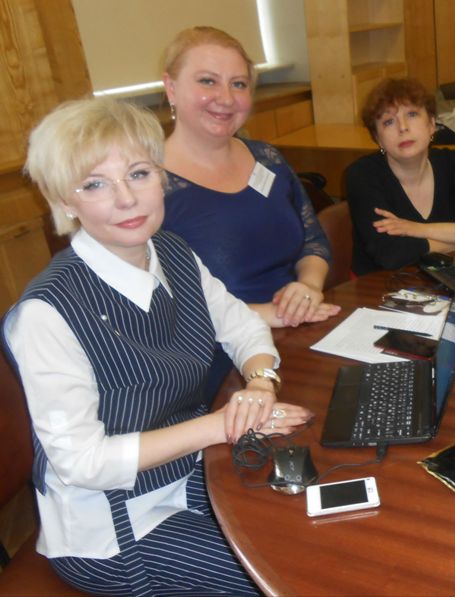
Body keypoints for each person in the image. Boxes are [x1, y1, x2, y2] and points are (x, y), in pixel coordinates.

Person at [3, 97, 312, 595]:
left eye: (139, 174)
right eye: (95, 184)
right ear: (65, 202)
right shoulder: (46, 313)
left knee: (311, 524)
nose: (126, 199)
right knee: (285, 575)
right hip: (114, 525)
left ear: (161, 176)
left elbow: (240, 323)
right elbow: (83, 463)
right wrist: (221, 424)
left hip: (192, 471)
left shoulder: (171, 250)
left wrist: (260, 382)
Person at [161, 26, 340, 328]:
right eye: (208, 81)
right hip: (219, 347)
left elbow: (313, 241)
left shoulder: (267, 158)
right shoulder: (146, 185)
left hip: (298, 327)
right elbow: (161, 305)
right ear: (171, 88)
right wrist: (268, 315)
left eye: (239, 84)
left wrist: (308, 286)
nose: (226, 98)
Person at [345, 77, 455, 275]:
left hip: (450, 278)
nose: (403, 127)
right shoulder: (362, 175)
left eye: (412, 114)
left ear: (432, 125)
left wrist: (416, 229)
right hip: (379, 285)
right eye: (388, 121)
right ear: (377, 138)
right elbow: (390, 254)